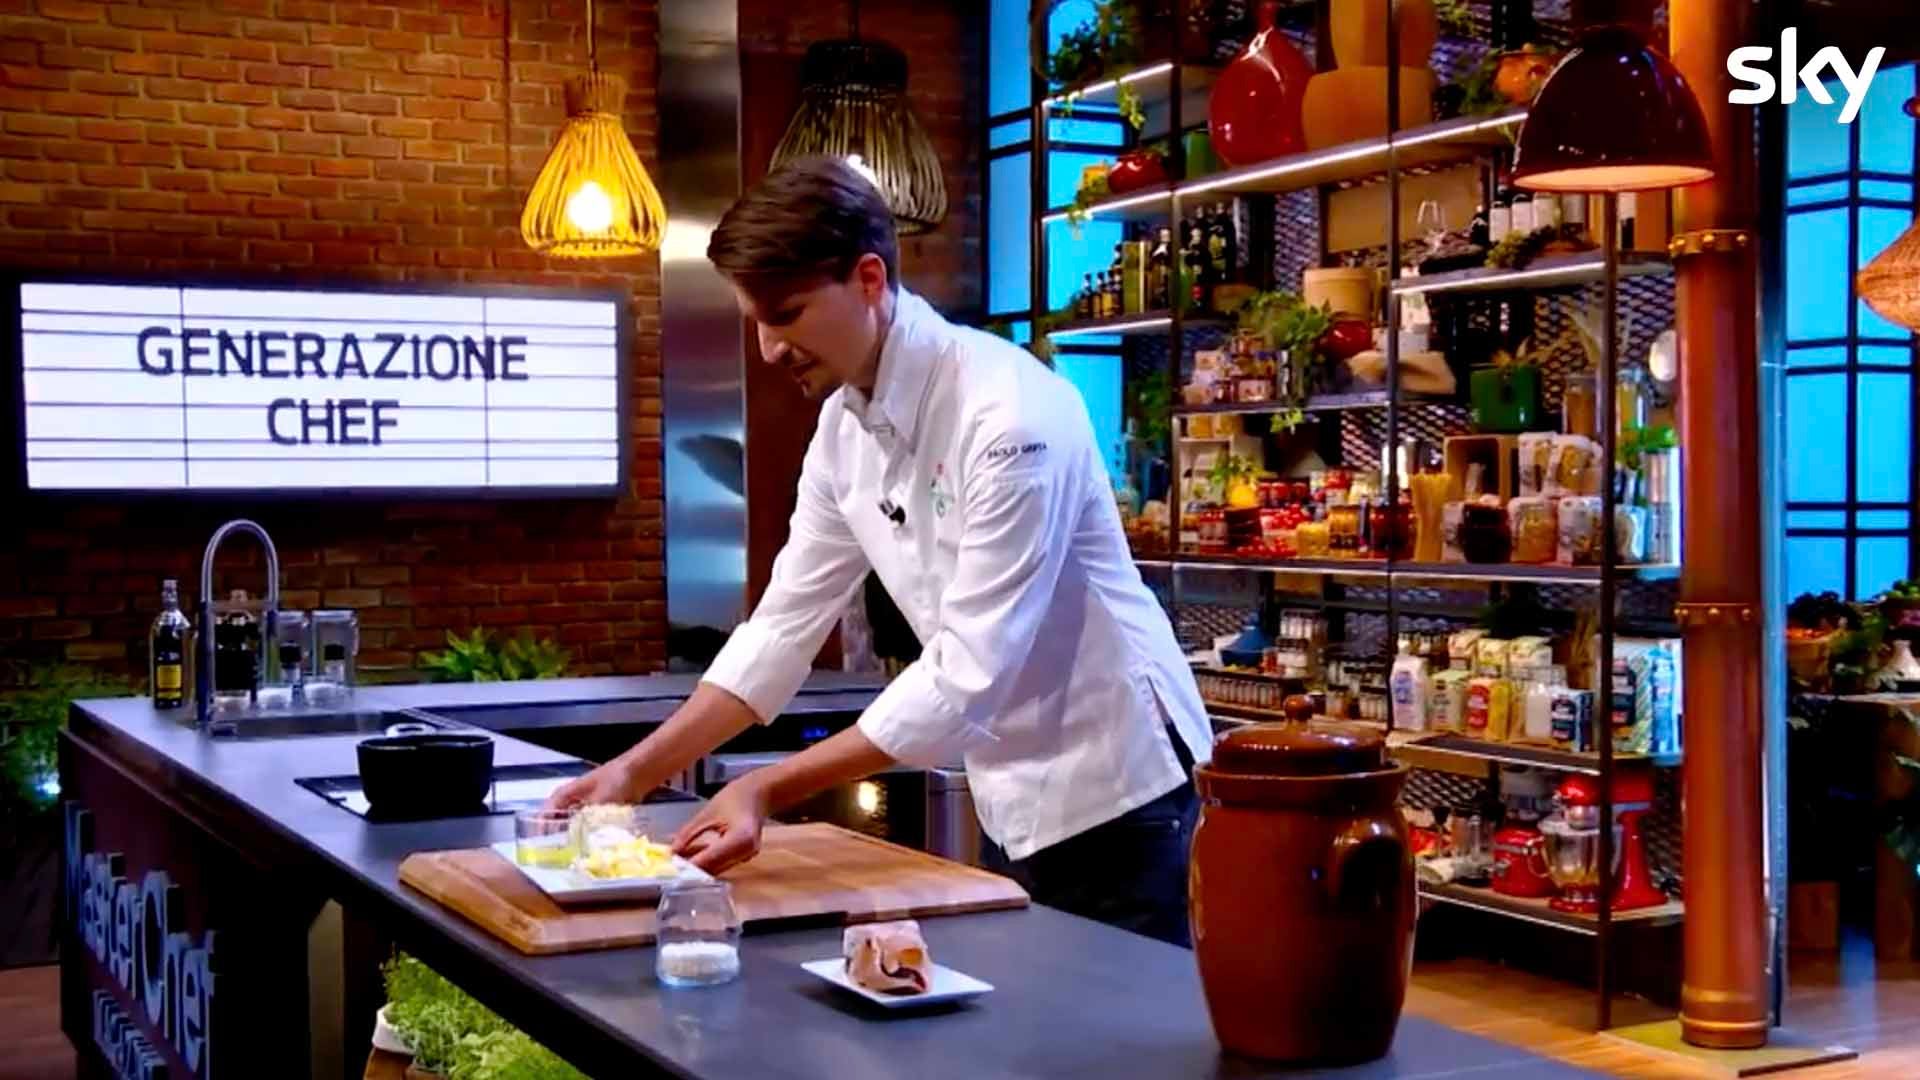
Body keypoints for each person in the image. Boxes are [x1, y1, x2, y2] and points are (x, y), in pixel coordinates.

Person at [547, 156, 1212, 946]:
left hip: (1122, 782)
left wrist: (765, 787)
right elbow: (782, 629)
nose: (767, 350)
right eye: (755, 322)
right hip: (1013, 781)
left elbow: (968, 673)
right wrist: (634, 773)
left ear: (869, 279)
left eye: (786, 315)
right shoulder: (841, 431)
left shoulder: (1013, 414)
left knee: (1111, 1050)